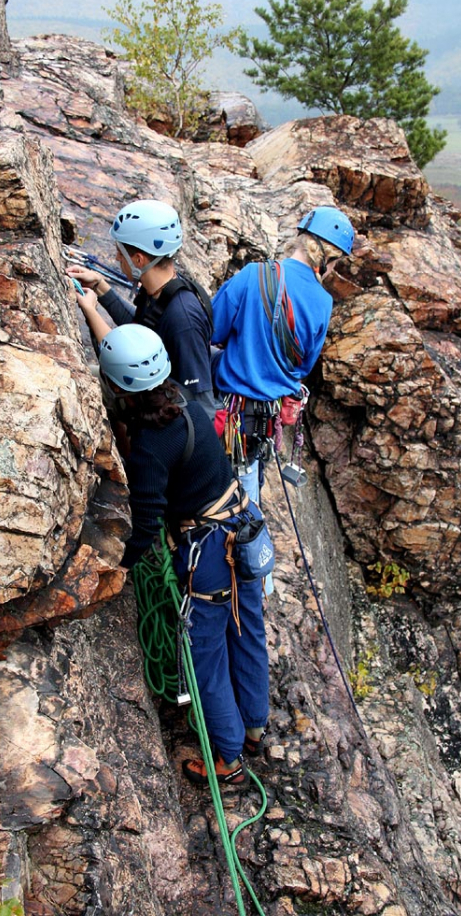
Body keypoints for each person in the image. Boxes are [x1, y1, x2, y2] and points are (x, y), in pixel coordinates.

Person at [98, 323, 270, 787]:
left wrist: (120, 570)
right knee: (247, 627)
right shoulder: (188, 405)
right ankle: (254, 726)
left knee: (205, 655)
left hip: (208, 553)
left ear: (117, 387)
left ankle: (229, 758)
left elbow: (147, 520)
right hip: (243, 529)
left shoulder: (152, 447)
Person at [211, 205, 355, 503]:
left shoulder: (254, 275)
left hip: (228, 411)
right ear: (326, 258)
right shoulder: (323, 302)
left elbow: (212, 329)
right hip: (266, 420)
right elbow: (304, 366)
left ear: (301, 238)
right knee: (245, 501)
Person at [67, 199, 216, 420]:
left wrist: (91, 311)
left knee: (80, 384)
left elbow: (203, 405)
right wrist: (100, 286)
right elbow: (139, 328)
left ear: (138, 259)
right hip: (148, 394)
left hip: (162, 416)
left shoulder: (183, 320)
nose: (117, 258)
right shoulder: (159, 290)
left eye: (120, 252)